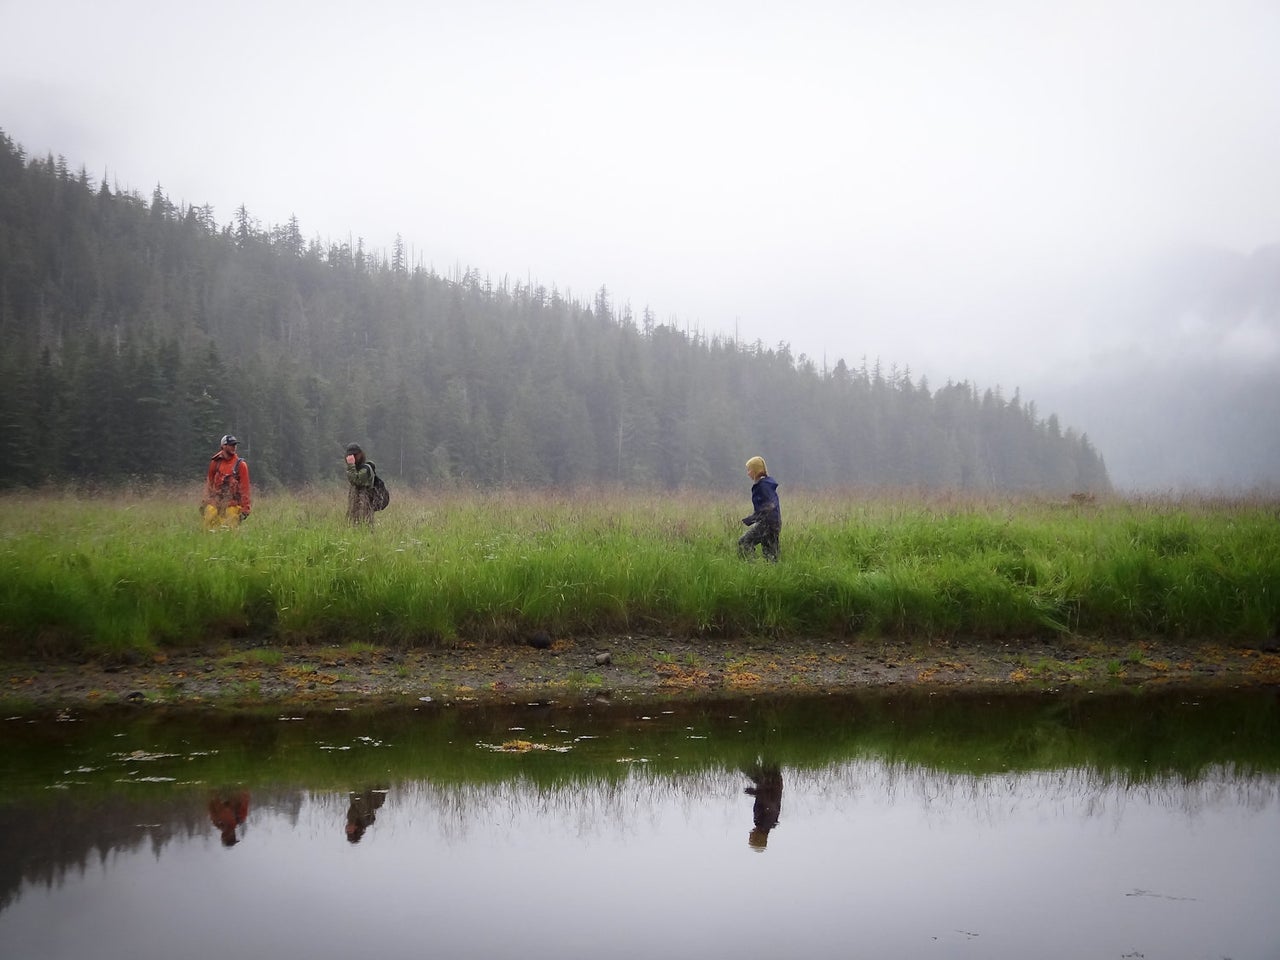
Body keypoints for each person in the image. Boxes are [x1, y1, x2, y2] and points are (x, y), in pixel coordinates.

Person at [738, 455, 781, 561]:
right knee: (770, 555)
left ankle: (751, 568)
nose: (748, 473)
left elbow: (770, 505)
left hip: (767, 524)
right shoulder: (766, 483)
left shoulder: (763, 485)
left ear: (756, 471)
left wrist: (752, 519)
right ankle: (770, 573)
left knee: (744, 543)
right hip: (773, 523)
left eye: (749, 470)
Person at [202, 434, 251, 529]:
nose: (234, 447)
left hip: (233, 504)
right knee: (207, 523)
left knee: (229, 530)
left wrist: (246, 508)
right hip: (216, 502)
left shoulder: (241, 465)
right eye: (231, 445)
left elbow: (245, 488)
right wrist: (204, 502)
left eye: (235, 445)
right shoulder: (215, 462)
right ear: (223, 446)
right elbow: (209, 483)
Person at [744, 762, 783, 850]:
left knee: (744, 763)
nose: (750, 834)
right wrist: (755, 793)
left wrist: (756, 793)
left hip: (765, 784)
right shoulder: (767, 822)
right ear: (758, 837)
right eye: (752, 837)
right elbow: (771, 805)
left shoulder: (760, 823)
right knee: (744, 762)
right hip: (770, 782)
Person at [344, 443, 376, 526]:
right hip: (355, 505)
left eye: (355, 455)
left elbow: (356, 480)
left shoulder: (366, 469)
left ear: (360, 454)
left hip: (364, 504)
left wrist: (351, 465)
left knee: (365, 526)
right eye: (351, 455)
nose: (353, 457)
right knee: (354, 526)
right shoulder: (354, 469)